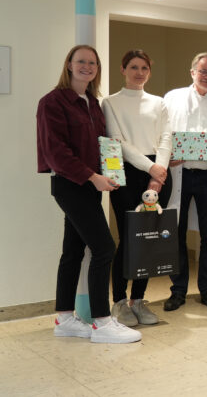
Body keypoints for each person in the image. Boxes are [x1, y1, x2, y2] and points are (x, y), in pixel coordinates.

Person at [37, 45, 141, 343]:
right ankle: (101, 322)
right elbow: (56, 152)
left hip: (91, 184)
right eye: (81, 61)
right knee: (105, 248)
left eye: (92, 62)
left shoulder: (92, 102)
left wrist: (110, 173)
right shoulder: (53, 102)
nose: (87, 66)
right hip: (72, 185)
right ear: (68, 64)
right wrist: (93, 177)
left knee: (73, 251)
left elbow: (100, 145)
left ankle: (65, 318)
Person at [101, 49, 172, 327]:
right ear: (123, 69)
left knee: (150, 239)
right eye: (133, 67)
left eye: (144, 67)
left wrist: (159, 173)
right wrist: (150, 168)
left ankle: (139, 301)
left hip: (158, 173)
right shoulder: (110, 102)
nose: (139, 72)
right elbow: (117, 142)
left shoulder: (159, 102)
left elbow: (166, 137)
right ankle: (119, 302)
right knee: (130, 238)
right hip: (127, 173)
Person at [163, 52, 207, 312]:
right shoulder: (172, 97)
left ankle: (206, 289)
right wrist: (167, 156)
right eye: (204, 71)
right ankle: (178, 290)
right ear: (192, 71)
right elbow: (161, 133)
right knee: (176, 232)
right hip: (179, 172)